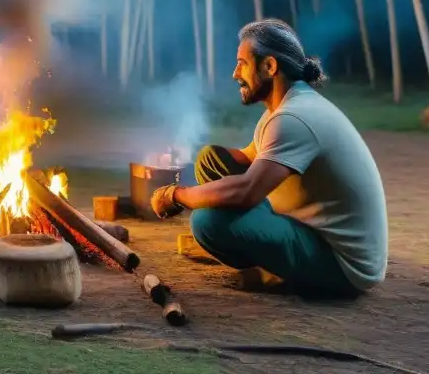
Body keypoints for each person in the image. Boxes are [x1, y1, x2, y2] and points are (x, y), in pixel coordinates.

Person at [150, 18, 388, 298]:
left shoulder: (293, 118)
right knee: (210, 159)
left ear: (270, 66)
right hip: (311, 230)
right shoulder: (283, 110)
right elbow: (246, 159)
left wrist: (178, 195)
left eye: (242, 63)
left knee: (207, 222)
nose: (234, 73)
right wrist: (203, 171)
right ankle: (263, 251)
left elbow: (246, 192)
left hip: (344, 266)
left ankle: (266, 268)